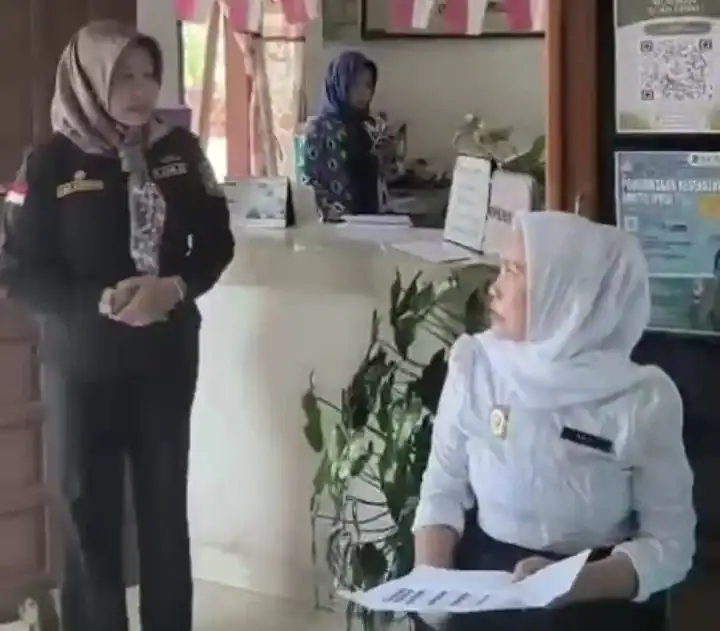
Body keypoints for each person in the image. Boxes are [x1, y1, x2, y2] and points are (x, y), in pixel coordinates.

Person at [0, 21, 234, 631]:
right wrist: (98, 302)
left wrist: (174, 287)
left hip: (165, 359)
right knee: (88, 515)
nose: (139, 90)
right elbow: (19, 271)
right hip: (82, 365)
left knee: (164, 511)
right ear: (88, 79)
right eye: (122, 75)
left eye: (148, 75)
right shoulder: (50, 163)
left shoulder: (179, 152)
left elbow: (216, 243)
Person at [413, 211, 695, 631]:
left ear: (568, 295)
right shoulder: (475, 363)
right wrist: (430, 582)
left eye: (515, 271)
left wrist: (576, 584)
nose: (495, 287)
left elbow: (670, 545)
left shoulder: (642, 399)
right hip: (487, 583)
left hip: (594, 599)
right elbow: (443, 485)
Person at [302, 50, 391, 221]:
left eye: (368, 85)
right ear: (340, 84)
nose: (364, 93)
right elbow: (309, 187)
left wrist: (387, 158)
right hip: (338, 226)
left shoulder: (369, 127)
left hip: (373, 224)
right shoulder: (319, 129)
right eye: (355, 85)